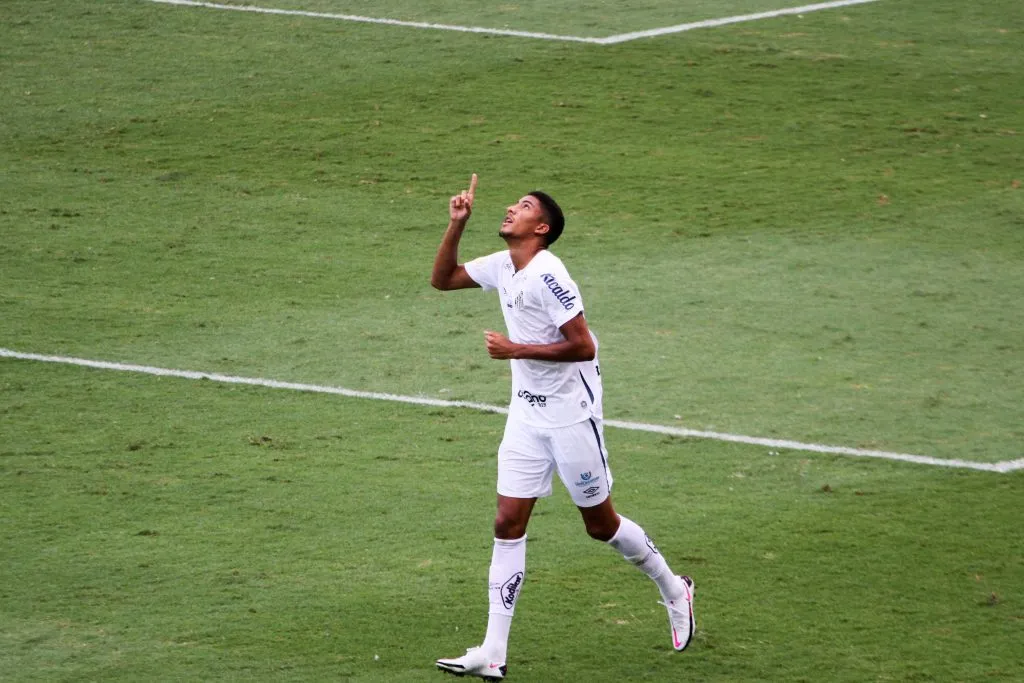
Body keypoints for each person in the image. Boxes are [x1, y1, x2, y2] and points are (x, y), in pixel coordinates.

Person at [430, 174, 694, 680]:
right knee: (507, 523)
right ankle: (493, 651)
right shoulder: (504, 265)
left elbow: (583, 345)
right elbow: (443, 279)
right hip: (526, 416)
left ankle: (674, 588)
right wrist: (456, 224)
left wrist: (516, 349)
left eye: (523, 206)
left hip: (572, 417)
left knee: (601, 526)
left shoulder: (551, 275)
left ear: (541, 227)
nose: (510, 208)